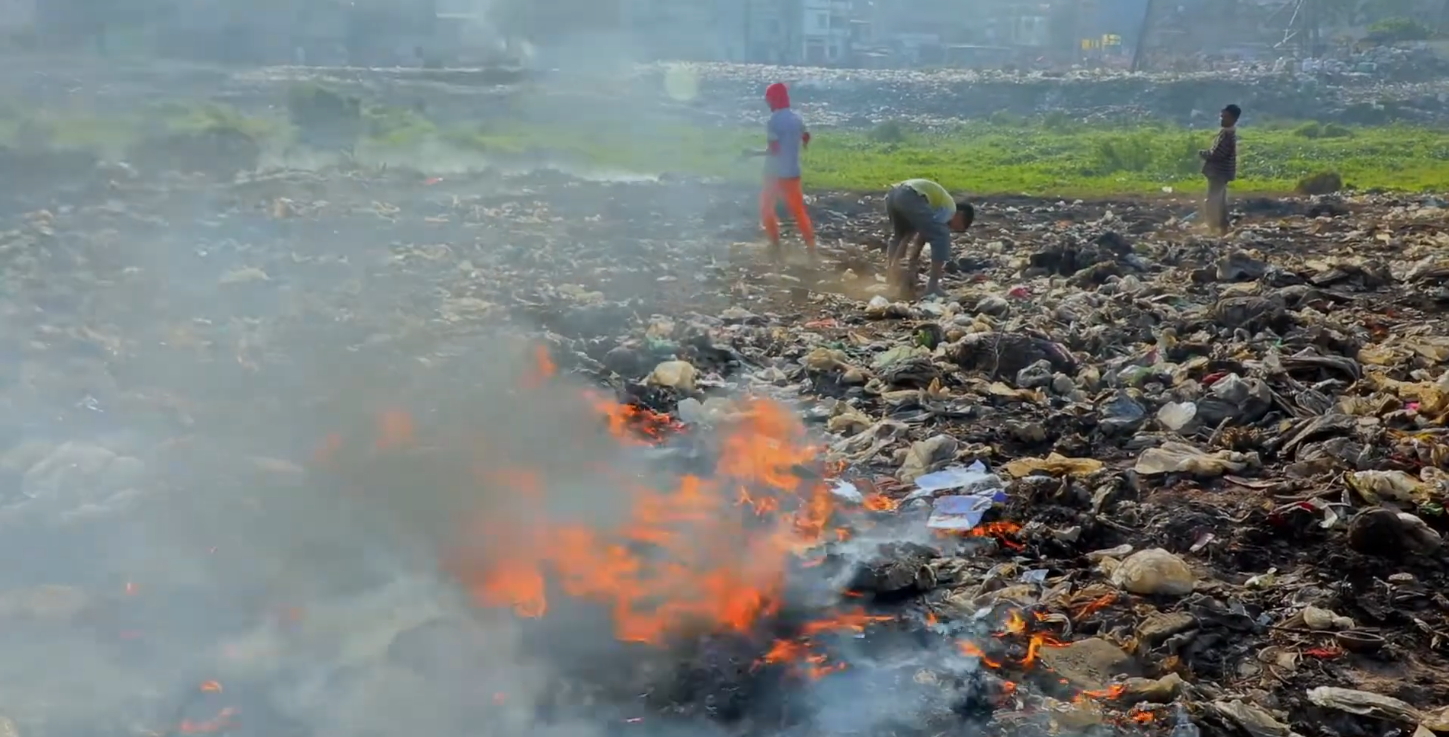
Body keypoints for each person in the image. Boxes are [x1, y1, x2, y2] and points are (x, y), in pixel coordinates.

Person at [743, 82, 816, 261]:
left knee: (766, 208)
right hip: (792, 173)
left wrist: (752, 153)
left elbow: (773, 150)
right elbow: (806, 135)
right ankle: (811, 247)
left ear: (774, 100)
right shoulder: (796, 118)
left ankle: (775, 245)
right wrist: (803, 144)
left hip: (774, 174)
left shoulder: (773, 121)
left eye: (768, 100)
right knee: (798, 211)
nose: (767, 103)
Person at [884, 179, 975, 298]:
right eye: (958, 228)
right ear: (961, 215)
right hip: (910, 195)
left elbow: (912, 236)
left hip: (893, 194)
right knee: (941, 236)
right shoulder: (950, 209)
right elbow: (924, 236)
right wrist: (912, 263)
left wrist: (910, 265)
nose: (952, 229)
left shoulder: (935, 206)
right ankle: (933, 287)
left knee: (901, 235)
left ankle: (892, 277)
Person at [1199, 104, 1240, 236]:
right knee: (1220, 201)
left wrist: (1203, 154)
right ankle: (1222, 227)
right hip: (1221, 173)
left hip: (1219, 173)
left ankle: (1212, 227)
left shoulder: (1227, 135)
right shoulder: (1228, 133)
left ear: (1233, 119)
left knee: (1212, 201)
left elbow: (1217, 154)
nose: (1222, 119)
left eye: (1225, 117)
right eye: (1222, 116)